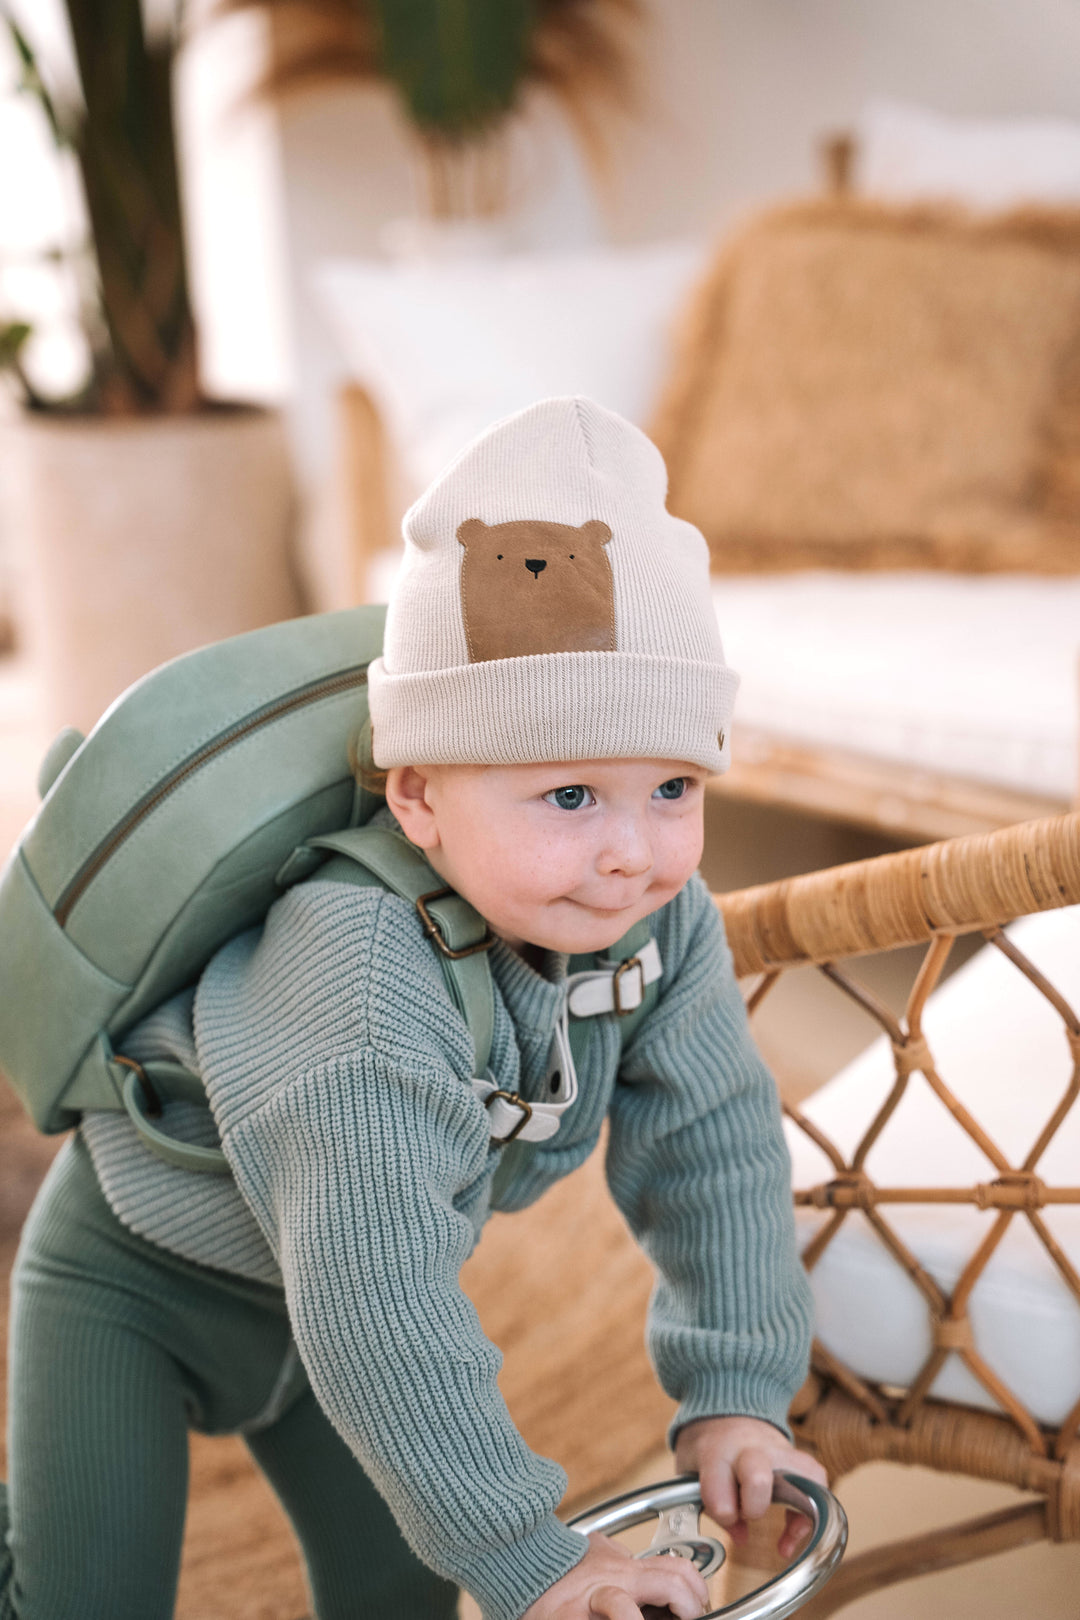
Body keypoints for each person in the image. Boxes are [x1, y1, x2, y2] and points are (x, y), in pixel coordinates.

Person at [2, 397, 823, 1620]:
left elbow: (716, 1141)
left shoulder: (664, 920)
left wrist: (740, 1387)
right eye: (567, 797)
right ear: (421, 795)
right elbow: (373, 1293)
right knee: (86, 1600)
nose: (635, 852)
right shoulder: (354, 969)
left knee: (396, 1597)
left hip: (333, 1313)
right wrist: (527, 1555)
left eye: (671, 784)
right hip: (141, 1285)